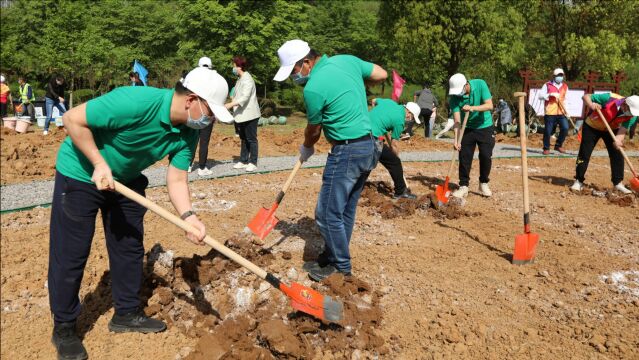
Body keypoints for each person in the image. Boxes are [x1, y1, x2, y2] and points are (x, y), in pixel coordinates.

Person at [47, 67, 233, 360]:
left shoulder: (188, 131)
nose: (209, 120)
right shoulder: (135, 102)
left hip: (127, 179)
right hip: (81, 173)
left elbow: (176, 178)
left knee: (129, 247)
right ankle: (65, 327)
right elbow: (72, 119)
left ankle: (126, 312)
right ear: (192, 100)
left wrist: (188, 216)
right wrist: (98, 162)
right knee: (71, 253)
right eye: (209, 112)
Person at [273, 39, 387, 281]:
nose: (294, 77)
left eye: (294, 70)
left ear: (306, 62)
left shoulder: (313, 88)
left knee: (326, 213)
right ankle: (332, 254)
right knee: (345, 209)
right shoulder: (346, 60)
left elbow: (314, 130)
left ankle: (340, 268)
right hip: (369, 146)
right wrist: (354, 81)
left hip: (347, 151)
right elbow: (381, 73)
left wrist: (306, 148)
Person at [570, 93, 638, 194]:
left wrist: (617, 142)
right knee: (585, 153)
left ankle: (618, 183)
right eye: (630, 111)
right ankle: (578, 181)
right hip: (592, 126)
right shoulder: (610, 98)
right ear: (625, 104)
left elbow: (622, 131)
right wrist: (591, 104)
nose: (631, 114)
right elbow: (585, 97)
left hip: (612, 129)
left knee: (617, 154)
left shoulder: (633, 116)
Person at [448, 73, 495, 198]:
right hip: (466, 128)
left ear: (466, 84)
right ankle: (464, 186)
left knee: (485, 155)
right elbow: (457, 121)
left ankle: (483, 183)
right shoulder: (454, 98)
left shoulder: (480, 84)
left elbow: (489, 105)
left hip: (485, 126)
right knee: (464, 157)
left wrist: (472, 108)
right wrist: (456, 140)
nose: (458, 94)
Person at [369, 98, 420, 199]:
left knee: (366, 163)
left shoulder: (390, 102)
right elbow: (394, 145)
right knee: (394, 162)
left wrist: (377, 117)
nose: (410, 120)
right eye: (412, 118)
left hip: (360, 129)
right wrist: (396, 156)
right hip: (372, 138)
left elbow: (374, 100)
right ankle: (400, 192)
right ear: (408, 113)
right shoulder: (400, 121)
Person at [226, 56, 261, 172]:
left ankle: (253, 162)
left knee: (251, 138)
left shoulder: (247, 79)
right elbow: (238, 94)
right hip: (242, 114)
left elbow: (245, 97)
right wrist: (232, 97)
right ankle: (243, 160)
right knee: (244, 138)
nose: (233, 68)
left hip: (250, 114)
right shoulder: (240, 79)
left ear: (239, 67)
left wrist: (230, 105)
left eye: (234, 65)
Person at [189, 56, 222, 176]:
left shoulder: (193, 77)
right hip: (207, 113)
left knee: (192, 140)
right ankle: (202, 168)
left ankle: (188, 165)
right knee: (204, 141)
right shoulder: (213, 79)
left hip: (193, 113)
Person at [538, 68, 569, 155]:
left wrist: (568, 111)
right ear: (554, 76)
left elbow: (566, 99)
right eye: (558, 75)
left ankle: (558, 145)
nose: (560, 77)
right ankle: (546, 148)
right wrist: (549, 95)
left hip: (561, 112)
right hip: (550, 112)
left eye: (561, 75)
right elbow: (540, 96)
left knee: (565, 128)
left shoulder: (565, 86)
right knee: (548, 131)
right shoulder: (547, 85)